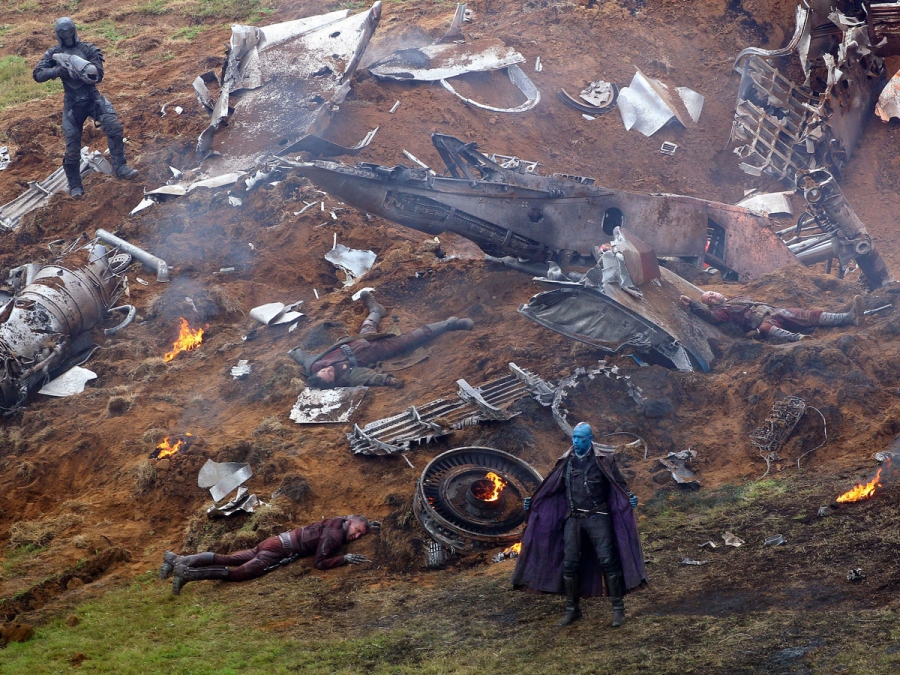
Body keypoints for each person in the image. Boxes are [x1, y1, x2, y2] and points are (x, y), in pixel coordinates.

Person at [512, 422, 647, 628]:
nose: (576, 441)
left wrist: (629, 497)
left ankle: (618, 610)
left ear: (590, 439)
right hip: (572, 519)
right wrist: (534, 501)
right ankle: (572, 610)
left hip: (598, 517)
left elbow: (618, 483)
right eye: (574, 437)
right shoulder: (566, 461)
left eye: (581, 438)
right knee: (570, 564)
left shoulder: (604, 460)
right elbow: (551, 487)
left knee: (608, 561)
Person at [33, 17, 138, 199]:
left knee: (113, 127)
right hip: (73, 104)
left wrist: (83, 72)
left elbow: (99, 74)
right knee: (72, 147)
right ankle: (75, 186)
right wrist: (59, 71)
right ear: (58, 35)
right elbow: (37, 74)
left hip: (92, 98)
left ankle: (120, 167)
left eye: (69, 32)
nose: (66, 36)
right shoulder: (54, 52)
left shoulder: (88, 49)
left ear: (74, 31)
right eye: (62, 34)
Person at [160, 515, 379, 595]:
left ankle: (176, 560)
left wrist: (370, 525)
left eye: (361, 534)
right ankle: (187, 573)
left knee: (228, 559)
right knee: (238, 574)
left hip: (275, 540)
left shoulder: (338, 521)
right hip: (277, 550)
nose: (357, 536)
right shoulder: (335, 534)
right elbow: (320, 562)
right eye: (357, 530)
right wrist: (345, 559)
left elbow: (348, 518)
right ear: (350, 523)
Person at [294, 291, 474, 388]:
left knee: (370, 322)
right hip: (377, 350)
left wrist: (294, 352)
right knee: (413, 338)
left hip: (356, 340)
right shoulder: (346, 378)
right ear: (333, 382)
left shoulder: (314, 366)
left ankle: (375, 307)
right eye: (329, 374)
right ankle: (451, 324)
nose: (327, 370)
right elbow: (369, 378)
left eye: (324, 371)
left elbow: (303, 358)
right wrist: (389, 381)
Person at [680, 291, 864, 342]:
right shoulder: (721, 312)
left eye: (711, 293)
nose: (712, 297)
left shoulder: (738, 298)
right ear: (710, 305)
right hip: (763, 322)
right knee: (767, 329)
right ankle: (801, 339)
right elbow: (709, 317)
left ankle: (848, 317)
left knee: (809, 314)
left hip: (774, 311)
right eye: (709, 299)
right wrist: (693, 304)